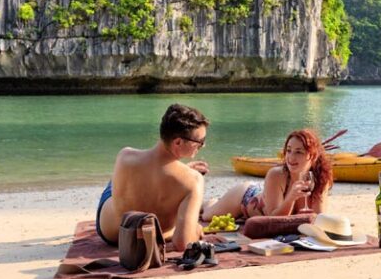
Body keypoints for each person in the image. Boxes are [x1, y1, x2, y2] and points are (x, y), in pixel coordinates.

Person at [95, 104, 210, 251]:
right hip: (151, 236)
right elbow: (183, 243)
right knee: (180, 188)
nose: (203, 146)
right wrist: (195, 230)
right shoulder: (194, 180)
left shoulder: (125, 156)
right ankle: (174, 173)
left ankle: (171, 172)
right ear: (178, 142)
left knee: (118, 181)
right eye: (200, 142)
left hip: (112, 233)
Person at [202, 129, 333, 220]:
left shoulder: (320, 179)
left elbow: (318, 217)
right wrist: (290, 198)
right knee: (207, 216)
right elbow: (273, 219)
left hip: (266, 193)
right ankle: (209, 202)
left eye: (299, 152)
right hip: (245, 196)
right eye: (288, 151)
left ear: (313, 156)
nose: (291, 157)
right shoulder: (277, 175)